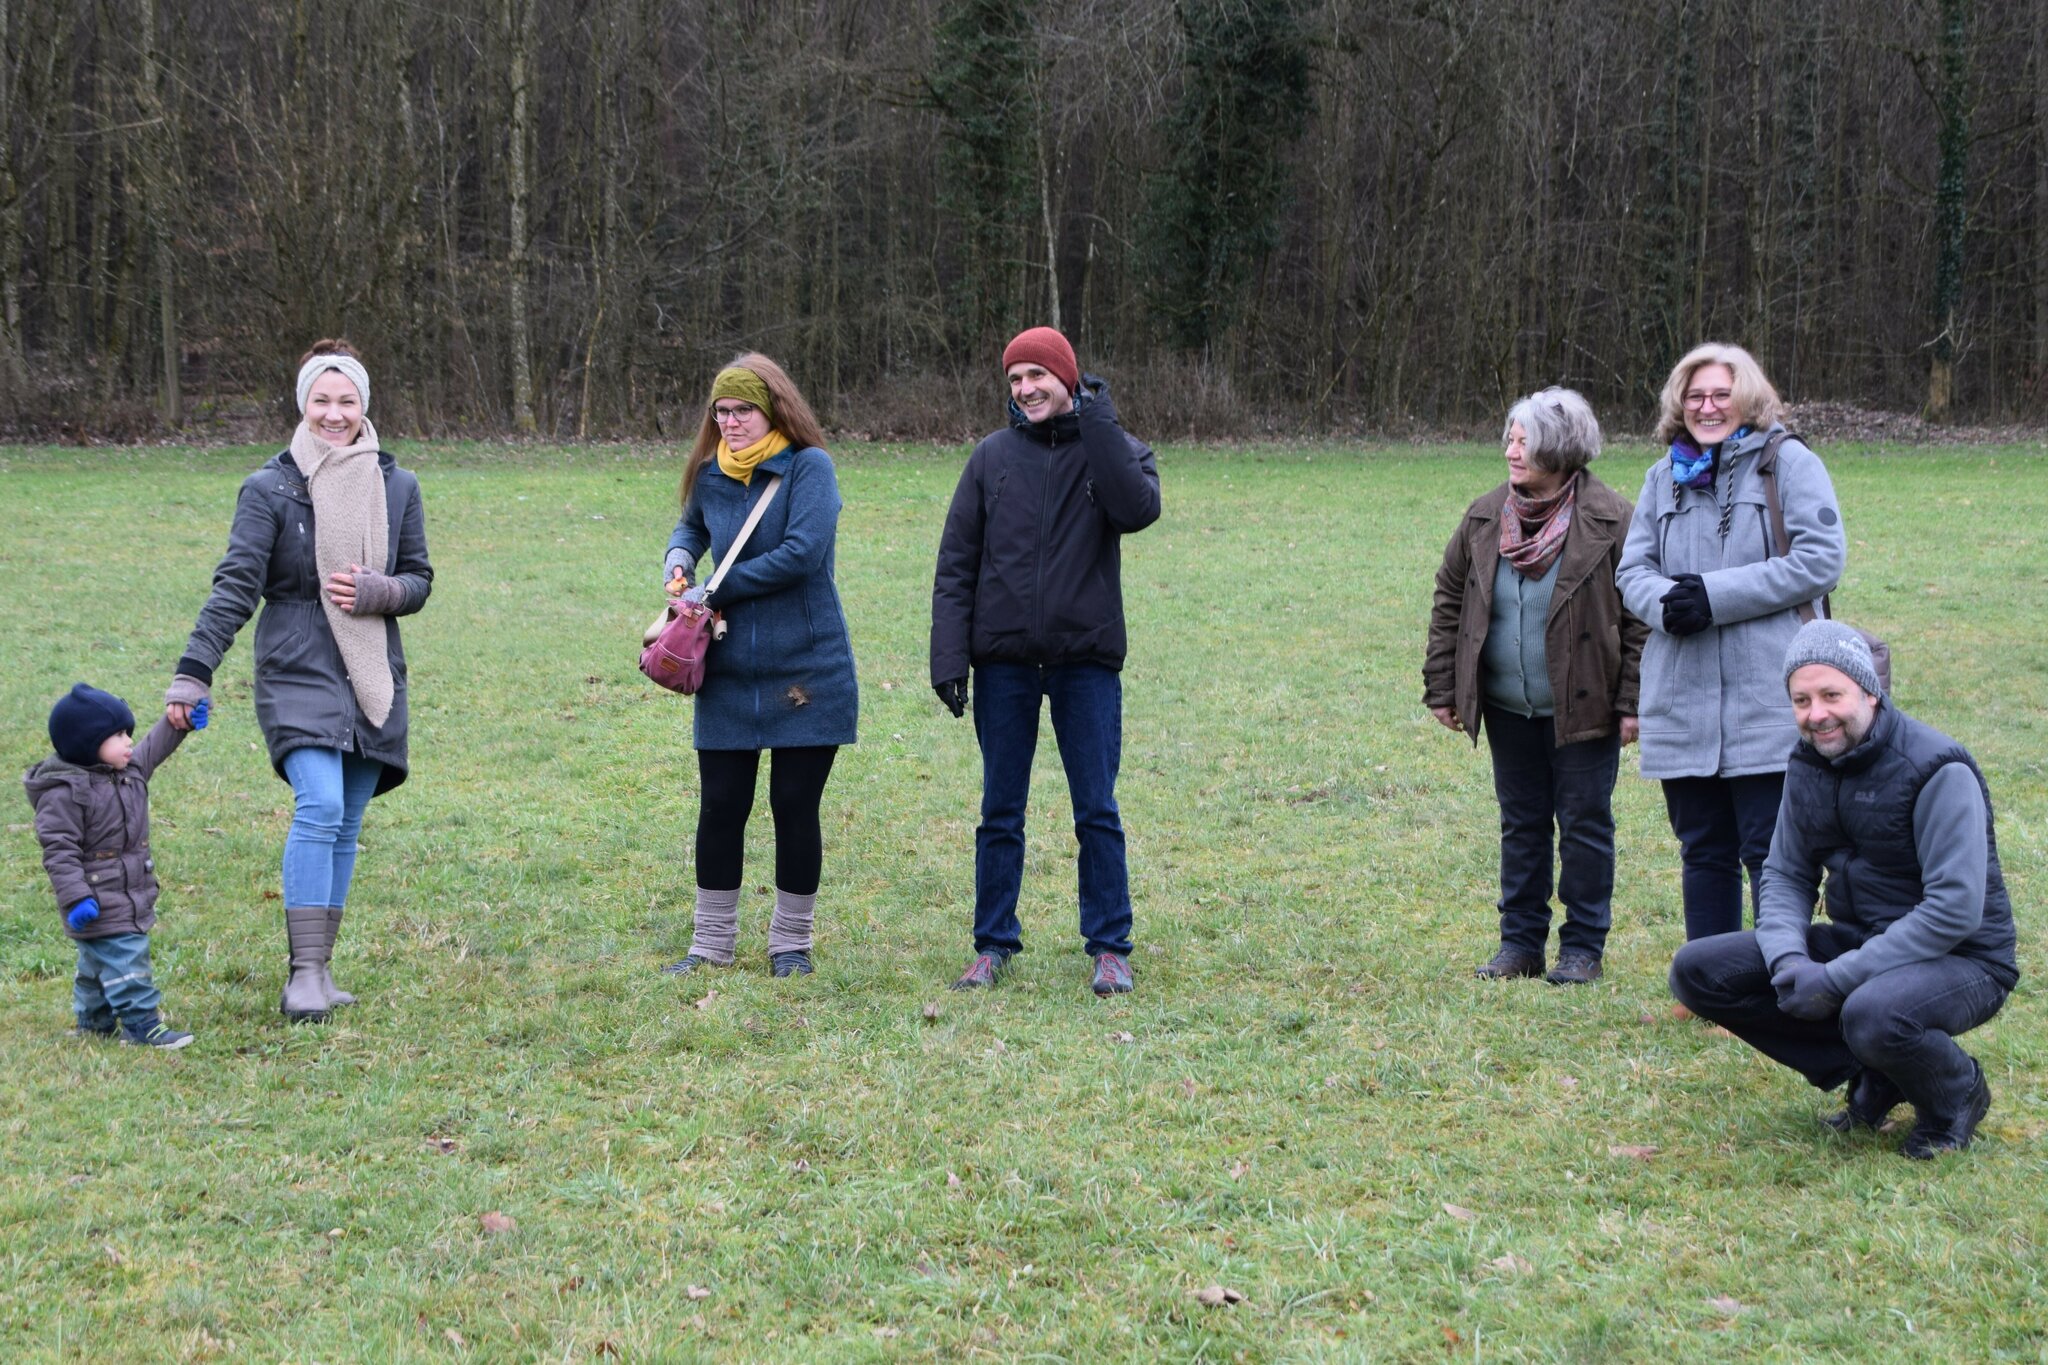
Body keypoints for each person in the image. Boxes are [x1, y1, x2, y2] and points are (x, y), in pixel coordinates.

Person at [1669, 622, 2018, 1158]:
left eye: (1832, 695)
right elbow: (1785, 872)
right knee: (1698, 971)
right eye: (1802, 700)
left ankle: (1955, 1094)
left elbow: (1954, 911)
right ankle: (1880, 1073)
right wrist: (1789, 960)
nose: (1816, 714)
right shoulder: (1808, 762)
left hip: (1963, 958)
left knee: (1872, 1014)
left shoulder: (1937, 769)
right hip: (1861, 940)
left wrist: (1835, 979)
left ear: (1869, 692)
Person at [169, 340, 433, 1023]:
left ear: (364, 405)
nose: (334, 414)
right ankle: (304, 975)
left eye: (347, 401)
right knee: (319, 804)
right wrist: (193, 673)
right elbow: (234, 587)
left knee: (346, 821)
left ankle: (321, 967)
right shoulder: (269, 488)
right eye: (322, 400)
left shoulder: (396, 485)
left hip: (371, 668)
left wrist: (382, 590)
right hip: (295, 665)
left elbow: (419, 579)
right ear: (302, 404)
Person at [931, 325, 1161, 996]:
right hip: (1003, 662)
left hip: (1085, 660)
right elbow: (956, 564)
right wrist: (949, 657)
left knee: (1096, 809)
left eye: (1037, 375)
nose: (1025, 389)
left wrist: (1097, 420)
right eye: (1015, 379)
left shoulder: (1113, 449)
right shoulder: (991, 458)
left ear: (1067, 377)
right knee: (999, 810)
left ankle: (1110, 946)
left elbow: (1137, 508)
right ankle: (992, 944)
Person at [1616, 342, 1845, 942]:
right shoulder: (1662, 476)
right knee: (1703, 849)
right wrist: (1668, 605)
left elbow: (1821, 560)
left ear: (1747, 399)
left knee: (1772, 854)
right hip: (1683, 699)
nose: (1708, 407)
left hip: (1768, 698)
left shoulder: (1789, 464)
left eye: (1721, 394)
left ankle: (1780, 976)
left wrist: (1714, 597)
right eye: (1695, 396)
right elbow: (1632, 570)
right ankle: (1710, 982)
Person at [1424, 388, 1648, 985]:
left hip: (1586, 706)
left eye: (1525, 441)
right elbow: (1450, 599)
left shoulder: (1614, 519)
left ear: (1561, 448)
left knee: (1584, 827)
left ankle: (1582, 949)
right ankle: (1520, 945)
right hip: (1507, 706)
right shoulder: (1483, 516)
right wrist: (1443, 684)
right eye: (1511, 438)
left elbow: (1640, 618)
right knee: (1521, 825)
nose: (1511, 450)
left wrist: (1632, 702)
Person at [659, 354, 857, 978]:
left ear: (774, 410)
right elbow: (689, 528)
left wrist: (715, 587)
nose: (731, 422)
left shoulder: (809, 468)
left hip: (807, 667)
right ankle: (710, 946)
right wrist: (678, 561)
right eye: (721, 412)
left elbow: (802, 554)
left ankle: (790, 945)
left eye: (743, 410)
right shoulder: (710, 473)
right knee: (721, 804)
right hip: (725, 665)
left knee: (794, 805)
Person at [25, 683, 208, 1048]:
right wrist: (76, 898)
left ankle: (94, 1022)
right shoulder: (64, 794)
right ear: (87, 744)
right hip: (96, 897)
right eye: (119, 736)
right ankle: (142, 1025)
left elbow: (154, 746)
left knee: (95, 962)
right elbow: (59, 852)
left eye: (128, 733)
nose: (129, 742)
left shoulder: (128, 771)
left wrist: (179, 724)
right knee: (127, 959)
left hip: (127, 891)